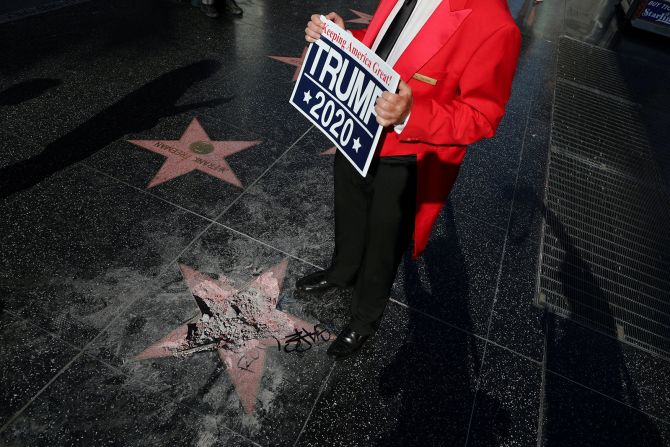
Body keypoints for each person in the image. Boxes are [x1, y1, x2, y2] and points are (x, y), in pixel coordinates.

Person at [297, 0, 521, 359]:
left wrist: (413, 113)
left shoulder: (497, 25)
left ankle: (364, 319)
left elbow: (482, 116)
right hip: (356, 124)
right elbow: (387, 48)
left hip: (408, 150)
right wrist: (342, 39)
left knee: (384, 242)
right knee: (349, 206)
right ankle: (342, 271)